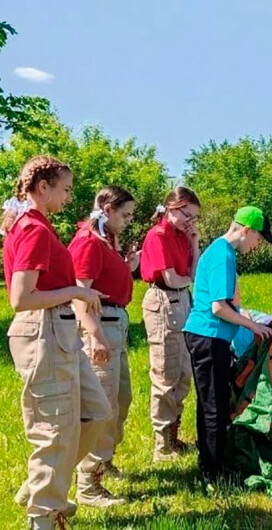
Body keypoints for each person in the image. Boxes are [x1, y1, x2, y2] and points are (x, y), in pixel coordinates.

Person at [3, 156, 111, 530]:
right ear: (43, 187)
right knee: (55, 429)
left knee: (97, 412)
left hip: (60, 332)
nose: (68, 196)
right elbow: (20, 298)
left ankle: (40, 486)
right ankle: (44, 516)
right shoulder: (32, 228)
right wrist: (74, 292)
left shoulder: (40, 225)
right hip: (43, 332)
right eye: (64, 189)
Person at [183, 206, 272, 487]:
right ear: (246, 230)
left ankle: (207, 464)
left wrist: (244, 316)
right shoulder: (223, 254)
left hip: (206, 337)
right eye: (258, 238)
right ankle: (215, 474)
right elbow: (218, 307)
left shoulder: (219, 251)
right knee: (216, 407)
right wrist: (252, 326)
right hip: (209, 336)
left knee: (209, 403)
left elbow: (228, 304)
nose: (257, 245)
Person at [69, 186, 139, 506]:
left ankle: (105, 460)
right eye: (124, 215)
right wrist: (94, 334)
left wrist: (129, 264)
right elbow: (79, 294)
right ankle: (88, 483)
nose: (128, 221)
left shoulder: (107, 241)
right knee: (102, 404)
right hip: (101, 327)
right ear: (107, 209)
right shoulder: (88, 242)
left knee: (120, 399)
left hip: (115, 325)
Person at [140, 186, 200, 461]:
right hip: (165, 301)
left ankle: (174, 436)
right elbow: (172, 278)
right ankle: (162, 443)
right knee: (166, 372)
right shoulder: (159, 235)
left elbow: (192, 274)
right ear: (172, 209)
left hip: (181, 300)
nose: (191, 222)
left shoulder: (181, 235)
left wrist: (195, 242)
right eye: (187, 215)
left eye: (195, 217)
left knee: (183, 373)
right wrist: (187, 279)